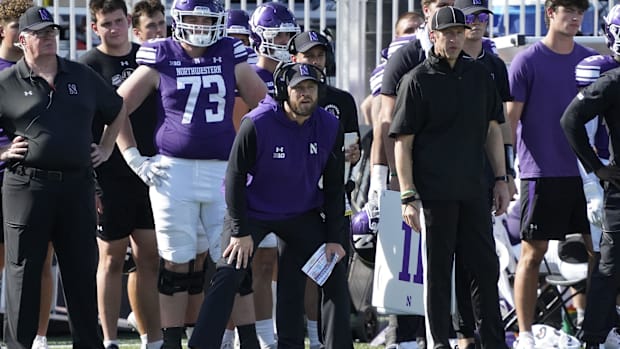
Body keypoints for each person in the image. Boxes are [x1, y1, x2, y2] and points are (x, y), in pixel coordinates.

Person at [113, 0, 268, 346]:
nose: (200, 24)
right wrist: (133, 156)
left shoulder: (229, 51)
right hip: (174, 173)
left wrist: (257, 159)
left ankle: (248, 339)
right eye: (193, 18)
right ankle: (171, 342)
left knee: (233, 258)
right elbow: (117, 104)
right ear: (179, 20)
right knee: (175, 262)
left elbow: (264, 105)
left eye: (206, 18)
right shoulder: (162, 54)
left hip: (221, 172)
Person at [189, 62, 353, 349]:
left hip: (301, 212)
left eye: (311, 88)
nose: (305, 95)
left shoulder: (329, 125)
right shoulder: (258, 122)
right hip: (252, 211)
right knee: (228, 272)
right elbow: (235, 177)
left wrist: (334, 239)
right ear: (282, 91)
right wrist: (239, 232)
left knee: (333, 268)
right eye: (298, 88)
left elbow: (335, 185)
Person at [0, 6, 127, 348]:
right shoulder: (6, 82)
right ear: (22, 39)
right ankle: (18, 345)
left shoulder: (81, 74)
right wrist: (1, 153)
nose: (47, 39)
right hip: (27, 185)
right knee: (23, 271)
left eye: (51, 32)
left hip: (76, 184)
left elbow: (117, 108)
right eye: (40, 33)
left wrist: (106, 147)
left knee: (80, 271)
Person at [390, 6, 510, 348]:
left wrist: (501, 178)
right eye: (448, 32)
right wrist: (408, 195)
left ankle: (491, 341)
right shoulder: (416, 80)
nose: (455, 38)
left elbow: (492, 130)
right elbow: (403, 143)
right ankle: (439, 341)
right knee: (439, 272)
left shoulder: (480, 75)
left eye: (460, 31)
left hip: (475, 188)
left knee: (486, 267)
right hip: (434, 193)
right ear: (433, 36)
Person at [506, 0, 597, 347]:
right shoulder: (526, 61)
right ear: (550, 13)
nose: (575, 18)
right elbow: (509, 122)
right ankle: (525, 335)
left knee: (599, 253)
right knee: (533, 253)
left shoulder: (591, 61)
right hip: (539, 173)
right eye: (568, 11)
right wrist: (508, 171)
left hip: (586, 176)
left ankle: (596, 326)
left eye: (580, 12)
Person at [79, 0, 163, 348]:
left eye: (118, 21)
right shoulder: (87, 66)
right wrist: (97, 149)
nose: (114, 29)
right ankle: (110, 338)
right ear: (94, 27)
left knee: (149, 254)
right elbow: (81, 116)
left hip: (151, 169)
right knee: (111, 256)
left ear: (129, 21)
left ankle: (153, 337)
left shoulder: (149, 57)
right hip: (110, 174)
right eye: (106, 23)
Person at [288, 29, 360, 349]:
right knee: (298, 270)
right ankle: (304, 336)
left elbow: (352, 148)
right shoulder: (285, 97)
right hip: (295, 198)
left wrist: (351, 154)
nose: (315, 61)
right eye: (308, 56)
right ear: (294, 59)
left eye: (319, 55)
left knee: (333, 270)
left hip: (335, 194)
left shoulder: (342, 100)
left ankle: (329, 340)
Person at [451, 0, 514, 347]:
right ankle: (462, 332)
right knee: (456, 257)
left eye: (482, 16)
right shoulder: (441, 64)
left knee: (485, 257)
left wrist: (507, 172)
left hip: (486, 173)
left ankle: (488, 333)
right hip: (447, 174)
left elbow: (501, 123)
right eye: (469, 17)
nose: (476, 23)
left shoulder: (494, 65)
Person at [561, 6, 620, 349]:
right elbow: (570, 120)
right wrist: (595, 170)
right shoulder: (611, 80)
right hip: (616, 191)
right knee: (609, 266)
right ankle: (594, 338)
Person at [0, 2, 56, 348]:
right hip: (4, 175)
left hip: (35, 179)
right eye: (15, 29)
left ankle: (39, 337)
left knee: (42, 259)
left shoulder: (43, 67)